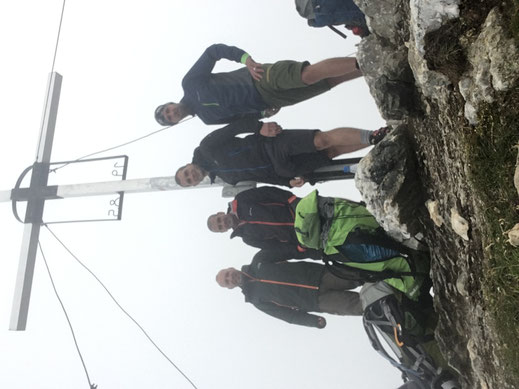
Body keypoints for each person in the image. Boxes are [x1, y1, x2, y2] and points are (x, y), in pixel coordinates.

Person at [154, 43, 362, 125]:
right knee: (325, 84)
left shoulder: (189, 84)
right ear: (175, 122)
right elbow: (239, 119)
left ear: (170, 103)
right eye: (169, 117)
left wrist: (246, 60)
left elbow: (213, 52)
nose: (172, 113)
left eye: (168, 110)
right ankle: (367, 69)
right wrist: (263, 114)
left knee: (305, 75)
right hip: (267, 100)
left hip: (257, 78)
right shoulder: (207, 119)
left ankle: (366, 59)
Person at [175, 117, 388, 188]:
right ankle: (378, 140)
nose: (191, 176)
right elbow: (262, 178)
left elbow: (234, 128)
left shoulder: (206, 147)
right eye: (189, 181)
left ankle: (373, 134)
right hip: (282, 169)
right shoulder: (227, 178)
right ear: (194, 184)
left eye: (186, 173)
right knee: (329, 153)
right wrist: (286, 183)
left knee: (321, 140)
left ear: (186, 165)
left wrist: (259, 127)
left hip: (270, 145)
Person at [216, 252, 363, 329]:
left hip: (319, 275)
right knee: (362, 306)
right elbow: (288, 316)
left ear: (231, 268)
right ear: (230, 287)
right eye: (227, 281)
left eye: (228, 274)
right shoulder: (257, 300)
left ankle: (386, 275)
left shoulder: (259, 260)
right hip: (317, 301)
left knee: (362, 275)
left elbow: (289, 251)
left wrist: (316, 252)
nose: (231, 278)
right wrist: (312, 321)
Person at [207, 186, 321, 259]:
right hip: (304, 236)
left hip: (301, 210)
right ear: (224, 231)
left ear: (220, 213)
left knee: (336, 211)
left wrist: (290, 199)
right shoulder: (248, 238)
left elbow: (267, 192)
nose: (223, 223)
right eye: (220, 227)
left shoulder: (241, 200)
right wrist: (298, 248)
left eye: (219, 220)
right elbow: (275, 247)